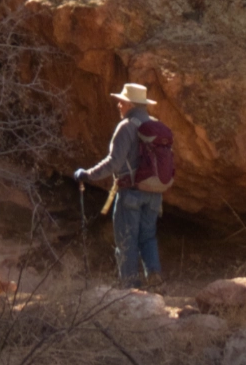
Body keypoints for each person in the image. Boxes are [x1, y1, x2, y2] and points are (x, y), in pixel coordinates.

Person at [75, 81, 174, 290]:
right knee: (147, 237)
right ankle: (154, 277)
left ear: (130, 105)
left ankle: (130, 288)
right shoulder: (156, 125)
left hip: (129, 193)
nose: (118, 105)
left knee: (126, 242)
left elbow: (114, 162)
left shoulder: (127, 126)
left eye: (121, 102)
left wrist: (88, 175)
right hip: (154, 194)